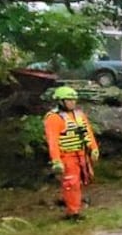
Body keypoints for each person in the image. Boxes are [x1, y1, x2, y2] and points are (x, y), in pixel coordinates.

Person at [43, 86, 100, 221]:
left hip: (81, 154)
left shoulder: (79, 115)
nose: (72, 103)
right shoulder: (54, 118)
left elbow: (88, 133)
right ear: (61, 101)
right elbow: (53, 141)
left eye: (74, 100)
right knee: (71, 183)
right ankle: (73, 212)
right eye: (69, 100)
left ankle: (74, 204)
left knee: (81, 181)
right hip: (67, 155)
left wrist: (94, 148)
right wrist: (56, 160)